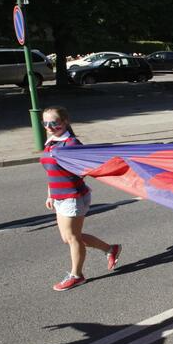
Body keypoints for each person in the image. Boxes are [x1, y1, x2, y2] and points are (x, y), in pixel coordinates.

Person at [40, 106, 121, 291]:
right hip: (60, 197)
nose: (50, 127)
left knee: (73, 237)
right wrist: (50, 194)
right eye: (45, 123)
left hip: (73, 197)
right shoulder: (51, 141)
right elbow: (51, 172)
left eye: (54, 123)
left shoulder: (71, 144)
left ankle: (77, 275)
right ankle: (110, 249)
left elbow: (84, 170)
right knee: (68, 238)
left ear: (65, 121)